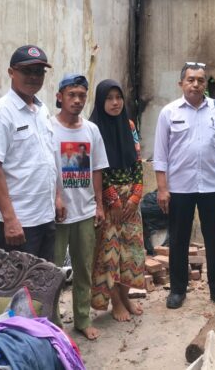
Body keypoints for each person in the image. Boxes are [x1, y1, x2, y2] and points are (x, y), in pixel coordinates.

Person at [153, 62, 215, 312]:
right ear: (181, 84)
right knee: (178, 239)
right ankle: (178, 290)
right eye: (190, 79)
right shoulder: (169, 112)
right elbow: (160, 154)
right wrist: (162, 188)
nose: (195, 84)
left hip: (212, 185)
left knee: (214, 239)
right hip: (180, 187)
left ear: (205, 84)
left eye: (200, 80)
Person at [0, 45, 65, 262]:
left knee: (44, 286)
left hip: (44, 217)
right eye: (27, 71)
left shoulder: (42, 110)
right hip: (19, 222)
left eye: (39, 72)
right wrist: (9, 219)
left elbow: (46, 160)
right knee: (19, 292)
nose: (33, 77)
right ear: (11, 72)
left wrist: (56, 197)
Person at [51, 74, 107, 340]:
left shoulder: (91, 130)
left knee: (84, 268)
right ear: (60, 96)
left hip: (85, 211)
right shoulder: (48, 128)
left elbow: (97, 168)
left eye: (82, 95)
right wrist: (56, 196)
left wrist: (99, 204)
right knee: (53, 272)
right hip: (57, 213)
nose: (77, 100)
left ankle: (82, 319)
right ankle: (53, 324)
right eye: (71, 94)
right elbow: (46, 168)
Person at [89, 79, 146, 322]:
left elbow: (137, 162)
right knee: (109, 255)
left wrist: (134, 196)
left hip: (131, 202)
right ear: (101, 102)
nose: (115, 103)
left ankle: (126, 298)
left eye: (118, 97)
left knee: (132, 254)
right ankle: (115, 303)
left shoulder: (129, 125)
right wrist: (113, 200)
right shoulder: (93, 128)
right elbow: (98, 168)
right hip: (108, 200)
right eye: (109, 98)